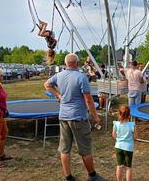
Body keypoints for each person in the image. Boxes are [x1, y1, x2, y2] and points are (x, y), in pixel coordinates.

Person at [44, 53, 106, 181]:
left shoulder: (59, 75)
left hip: (64, 117)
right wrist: (96, 117)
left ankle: (68, 177)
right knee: (85, 148)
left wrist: (58, 95)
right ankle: (92, 175)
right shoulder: (81, 77)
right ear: (77, 63)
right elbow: (88, 100)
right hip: (78, 118)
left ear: (66, 63)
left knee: (65, 148)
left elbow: (47, 84)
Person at [112, 105, 138, 181]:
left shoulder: (116, 124)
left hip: (118, 147)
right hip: (128, 148)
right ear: (129, 115)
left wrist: (119, 139)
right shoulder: (132, 125)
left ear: (119, 114)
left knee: (119, 166)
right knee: (128, 167)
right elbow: (136, 137)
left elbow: (114, 135)